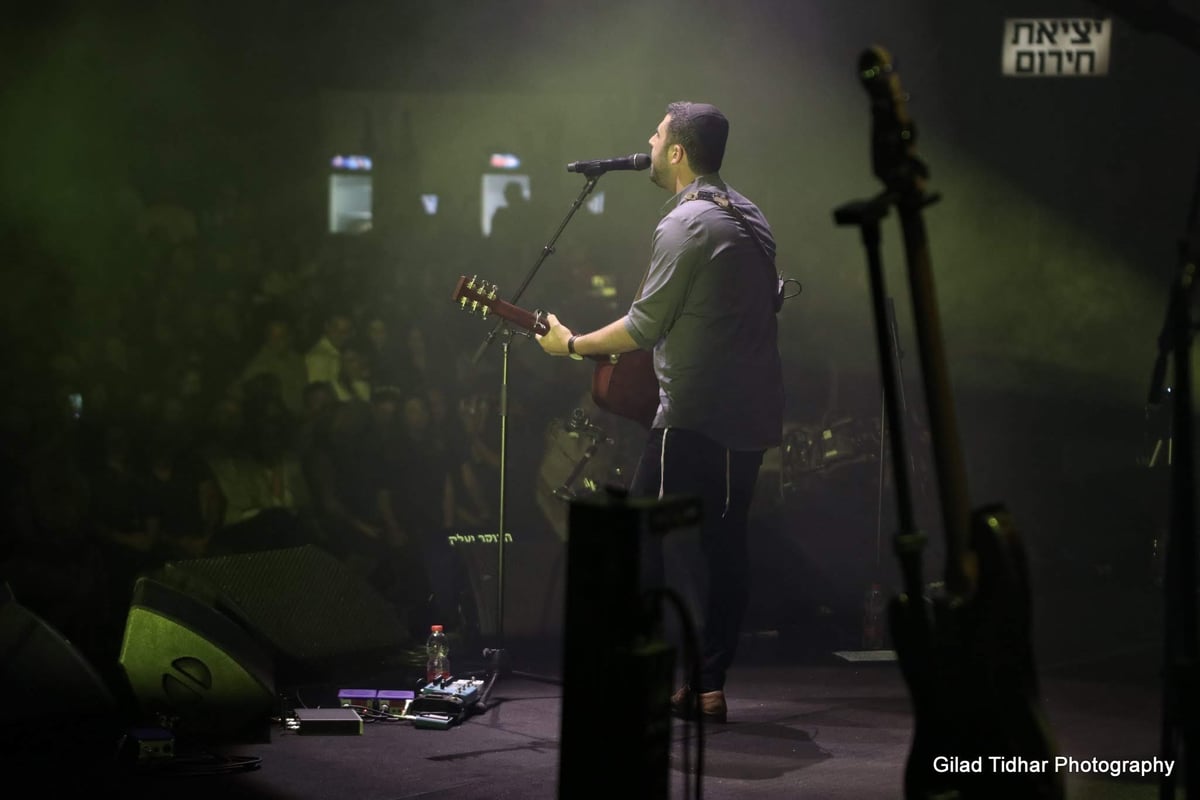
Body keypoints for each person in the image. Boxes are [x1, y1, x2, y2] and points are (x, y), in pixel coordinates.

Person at [535, 101, 784, 724]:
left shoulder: (686, 226)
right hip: (751, 417)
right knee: (726, 548)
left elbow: (644, 326)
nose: (645, 142)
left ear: (676, 152)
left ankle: (650, 676)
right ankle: (707, 684)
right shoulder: (751, 217)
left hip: (693, 418)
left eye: (655, 134)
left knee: (647, 543)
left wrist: (570, 344)